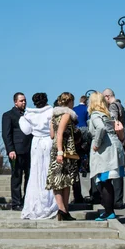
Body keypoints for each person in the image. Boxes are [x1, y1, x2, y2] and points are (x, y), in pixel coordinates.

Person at [19, 93, 58, 220]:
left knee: (36, 173)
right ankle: (50, 202)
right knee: (48, 171)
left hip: (36, 143)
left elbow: (26, 131)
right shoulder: (51, 111)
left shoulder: (29, 114)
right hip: (48, 141)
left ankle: (35, 203)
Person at [88, 92, 125, 221]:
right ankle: (109, 210)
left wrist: (97, 144)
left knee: (104, 182)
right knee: (107, 182)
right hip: (114, 147)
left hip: (105, 150)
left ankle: (108, 211)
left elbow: (101, 128)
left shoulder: (95, 115)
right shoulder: (106, 114)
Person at [46, 92, 80, 221]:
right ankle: (62, 209)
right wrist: (61, 151)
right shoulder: (66, 114)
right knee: (63, 180)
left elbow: (52, 135)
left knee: (60, 180)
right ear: (70, 102)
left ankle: (64, 210)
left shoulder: (54, 115)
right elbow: (59, 133)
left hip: (56, 149)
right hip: (64, 150)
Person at [2, 92, 33, 211]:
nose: (24, 102)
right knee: (17, 177)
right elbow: (6, 134)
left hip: (29, 150)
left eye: (25, 100)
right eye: (21, 101)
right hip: (16, 151)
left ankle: (27, 201)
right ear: (15, 102)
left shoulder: (29, 115)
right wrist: (10, 150)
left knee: (29, 177)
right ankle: (16, 203)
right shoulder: (8, 115)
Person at [102, 88, 125, 208]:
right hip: (120, 140)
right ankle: (119, 200)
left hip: (113, 140)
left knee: (114, 173)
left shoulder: (112, 107)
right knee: (119, 172)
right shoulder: (121, 105)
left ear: (107, 96)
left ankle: (116, 200)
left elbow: (113, 121)